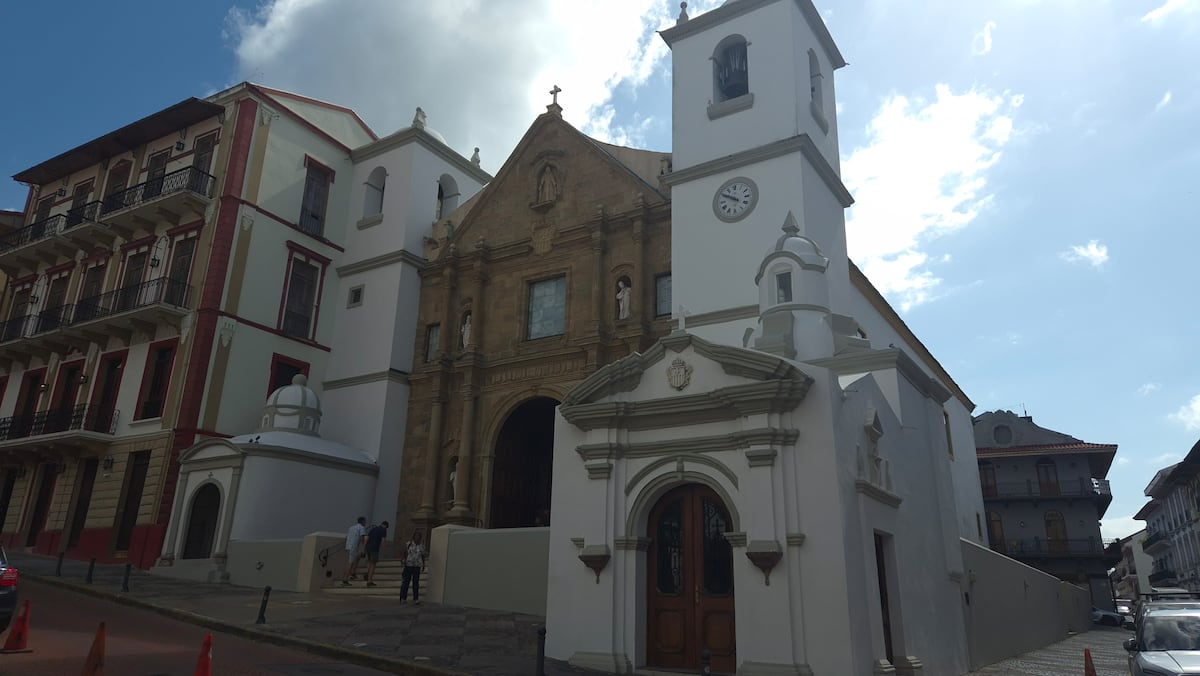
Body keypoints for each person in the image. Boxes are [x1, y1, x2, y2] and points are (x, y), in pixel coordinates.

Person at [399, 530, 426, 605]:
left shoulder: (422, 546)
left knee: (416, 582)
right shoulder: (409, 544)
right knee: (406, 582)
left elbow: (423, 555)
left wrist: (423, 564)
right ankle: (403, 597)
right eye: (416, 536)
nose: (417, 538)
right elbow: (404, 552)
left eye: (418, 536)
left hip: (417, 566)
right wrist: (402, 559)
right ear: (413, 537)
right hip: (408, 565)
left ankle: (415, 598)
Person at [341, 516, 367, 586]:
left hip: (348, 546)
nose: (366, 523)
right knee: (350, 563)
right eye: (365, 521)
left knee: (357, 558)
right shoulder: (361, 528)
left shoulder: (351, 527)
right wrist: (363, 549)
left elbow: (347, 537)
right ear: (363, 522)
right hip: (354, 547)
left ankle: (353, 573)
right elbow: (362, 539)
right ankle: (345, 580)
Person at [364, 520, 389, 587]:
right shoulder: (383, 530)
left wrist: (364, 548)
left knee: (369, 562)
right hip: (374, 548)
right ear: (386, 526)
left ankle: (367, 574)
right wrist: (385, 551)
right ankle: (369, 581)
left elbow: (367, 538)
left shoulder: (373, 529)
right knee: (373, 564)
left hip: (368, 547)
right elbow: (383, 541)